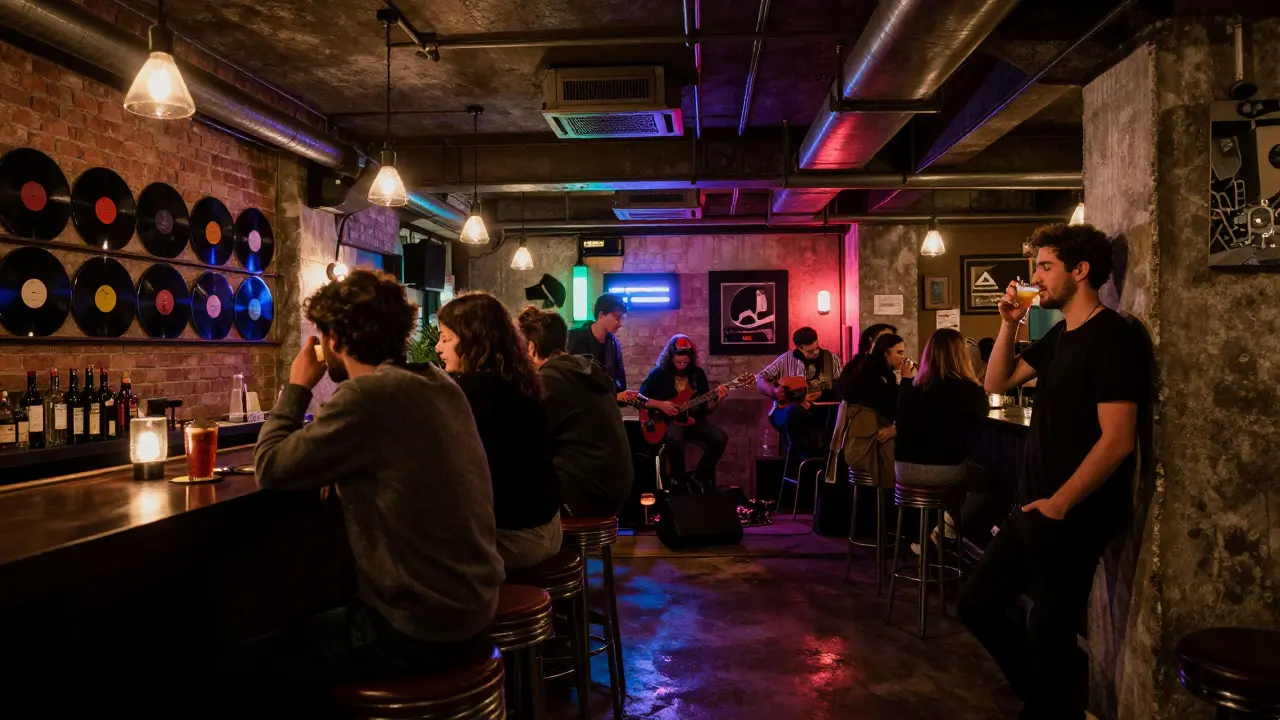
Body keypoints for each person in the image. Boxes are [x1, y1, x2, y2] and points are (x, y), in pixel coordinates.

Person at [242, 269, 503, 709]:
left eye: (321, 337)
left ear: (336, 340)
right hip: (474, 611)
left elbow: (269, 467)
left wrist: (297, 385)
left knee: (238, 667)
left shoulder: (368, 395)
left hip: (419, 630)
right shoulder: (438, 384)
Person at [958, 223, 1146, 720]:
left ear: (1079, 271)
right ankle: (1047, 701)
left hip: (1073, 512)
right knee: (975, 603)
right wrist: (1009, 323)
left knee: (1051, 631)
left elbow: (1119, 438)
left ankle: (1049, 707)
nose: (1034, 278)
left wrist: (1061, 503)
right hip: (1033, 505)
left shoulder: (1113, 337)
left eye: (1044, 267)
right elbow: (995, 381)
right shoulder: (1063, 334)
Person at [437, 292, 562, 570]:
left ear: (473, 340)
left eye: (446, 339)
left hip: (519, 539)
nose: (438, 348)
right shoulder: (520, 380)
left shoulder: (473, 390)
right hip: (548, 527)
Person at [517, 305, 635, 517]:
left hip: (588, 494)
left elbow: (525, 438)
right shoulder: (580, 371)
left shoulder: (550, 379)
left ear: (532, 349)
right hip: (613, 490)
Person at [639, 334, 730, 492]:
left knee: (720, 437)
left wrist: (718, 399)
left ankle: (698, 478)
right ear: (671, 357)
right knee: (676, 436)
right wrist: (661, 406)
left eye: (686, 361)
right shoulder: (658, 374)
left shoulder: (697, 374)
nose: (682, 364)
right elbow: (641, 399)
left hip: (693, 422)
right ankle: (678, 482)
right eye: (678, 361)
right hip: (665, 423)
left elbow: (706, 410)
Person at [756, 326, 843, 452]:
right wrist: (774, 392)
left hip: (821, 411)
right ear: (798, 347)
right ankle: (800, 457)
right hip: (790, 410)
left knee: (836, 414)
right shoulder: (786, 359)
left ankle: (826, 458)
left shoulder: (831, 359)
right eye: (809, 351)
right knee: (795, 412)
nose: (814, 353)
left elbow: (841, 386)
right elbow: (761, 379)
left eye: (816, 348)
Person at [567, 294, 632, 404]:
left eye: (622, 318)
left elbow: (620, 382)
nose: (620, 324)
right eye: (617, 317)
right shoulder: (575, 338)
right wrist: (613, 396)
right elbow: (572, 383)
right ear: (601, 315)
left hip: (604, 410)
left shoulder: (613, 343)